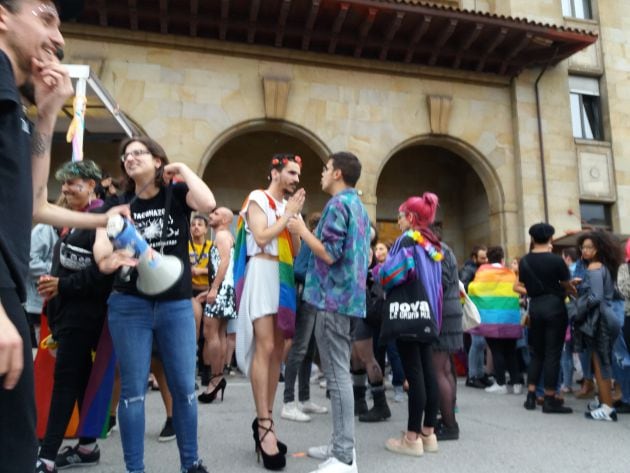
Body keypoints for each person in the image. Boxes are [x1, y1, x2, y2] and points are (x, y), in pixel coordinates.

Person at [0, 3, 125, 471]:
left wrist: (48, 112)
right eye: (45, 17)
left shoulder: (15, 102)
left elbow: (33, 204)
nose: (59, 38)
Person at [94, 136, 215, 473]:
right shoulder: (117, 203)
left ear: (158, 160)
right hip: (129, 305)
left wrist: (185, 170)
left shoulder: (175, 195)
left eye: (139, 153)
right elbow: (101, 251)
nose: (130, 158)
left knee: (184, 387)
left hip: (175, 303)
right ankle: (135, 469)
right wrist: (110, 259)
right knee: (133, 390)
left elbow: (207, 202)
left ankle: (191, 463)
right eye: (126, 155)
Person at [289, 152, 370, 473]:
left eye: (324, 169)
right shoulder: (357, 206)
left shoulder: (338, 205)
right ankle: (340, 444)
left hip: (332, 300)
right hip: (348, 300)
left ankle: (344, 455)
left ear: (337, 173)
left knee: (337, 377)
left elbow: (329, 254)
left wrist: (300, 229)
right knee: (339, 376)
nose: (321, 174)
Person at [35, 160, 113, 473]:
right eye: (64, 184)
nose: (66, 189)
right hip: (67, 315)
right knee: (80, 377)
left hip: (85, 316)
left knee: (65, 381)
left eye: (73, 183)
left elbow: (104, 272)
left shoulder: (102, 220)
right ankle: (87, 446)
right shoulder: (73, 220)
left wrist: (62, 284)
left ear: (92, 185)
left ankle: (47, 456)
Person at [234, 153, 305, 471]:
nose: (296, 179)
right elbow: (261, 236)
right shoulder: (257, 198)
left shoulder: (286, 208)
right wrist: (287, 214)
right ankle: (264, 425)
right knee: (264, 347)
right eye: (291, 172)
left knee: (279, 349)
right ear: (275, 171)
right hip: (262, 274)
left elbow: (296, 249)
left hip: (284, 278)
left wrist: (297, 225)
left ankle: (268, 422)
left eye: (298, 174)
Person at [374, 194, 442, 458]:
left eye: (400, 215)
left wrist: (377, 272)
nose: (398, 220)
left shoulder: (406, 240)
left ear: (411, 218)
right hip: (427, 315)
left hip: (407, 313)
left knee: (414, 376)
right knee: (428, 373)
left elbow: (391, 274)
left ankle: (412, 438)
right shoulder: (432, 244)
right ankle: (428, 432)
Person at [517, 223, 575, 414]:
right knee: (553, 353)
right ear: (550, 238)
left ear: (532, 239)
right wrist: (572, 288)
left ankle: (531, 395)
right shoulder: (557, 261)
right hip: (555, 308)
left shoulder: (524, 261)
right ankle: (550, 398)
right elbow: (566, 285)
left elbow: (521, 284)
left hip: (536, 308)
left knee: (537, 353)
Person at [281, 212, 329, 423]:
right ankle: (289, 402)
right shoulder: (315, 239)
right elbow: (302, 270)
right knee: (300, 348)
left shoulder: (313, 237)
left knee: (308, 349)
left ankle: (304, 398)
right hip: (307, 294)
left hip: (310, 294)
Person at [574, 231, 623, 421]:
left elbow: (596, 297)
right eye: (583, 247)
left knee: (600, 362)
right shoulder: (604, 266)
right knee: (600, 361)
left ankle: (607, 407)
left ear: (598, 249)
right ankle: (603, 402)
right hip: (606, 317)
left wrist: (579, 302)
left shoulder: (594, 267)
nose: (585, 250)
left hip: (600, 319)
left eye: (589, 247)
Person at [468, 246, 523, 395]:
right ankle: (517, 383)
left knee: (497, 350)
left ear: (488, 258)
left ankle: (500, 383)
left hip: (491, 319)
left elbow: (473, 289)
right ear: (502, 259)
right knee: (511, 351)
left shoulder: (482, 272)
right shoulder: (510, 272)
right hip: (509, 318)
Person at [198, 207, 236, 403]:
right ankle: (217, 379)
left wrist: (214, 288)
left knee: (210, 333)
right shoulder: (226, 236)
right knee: (219, 334)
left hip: (221, 290)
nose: (210, 215)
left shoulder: (221, 235)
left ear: (224, 219)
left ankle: (215, 379)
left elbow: (224, 262)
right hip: (225, 289)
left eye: (215, 213)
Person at [429, 224, 463, 441]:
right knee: (446, 369)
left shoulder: (437, 251)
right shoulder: (445, 249)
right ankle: (449, 421)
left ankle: (450, 425)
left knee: (439, 370)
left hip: (443, 314)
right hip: (450, 312)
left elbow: (438, 283)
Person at [461, 245, 492, 389]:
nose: (485, 260)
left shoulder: (479, 269)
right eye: (482, 258)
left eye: (486, 257)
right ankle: (473, 376)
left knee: (480, 343)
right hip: (474, 309)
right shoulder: (469, 270)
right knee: (477, 343)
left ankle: (479, 374)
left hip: (480, 309)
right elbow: (464, 287)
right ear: (474, 258)